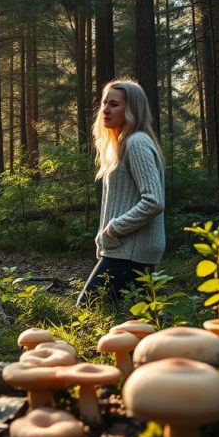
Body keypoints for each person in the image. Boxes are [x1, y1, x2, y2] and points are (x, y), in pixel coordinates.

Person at [75, 80, 165, 307]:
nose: (105, 110)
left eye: (114, 104)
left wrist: (113, 229)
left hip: (130, 251)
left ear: (131, 109)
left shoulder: (136, 143)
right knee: (132, 323)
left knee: (87, 312)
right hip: (125, 249)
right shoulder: (122, 144)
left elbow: (153, 201)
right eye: (104, 103)